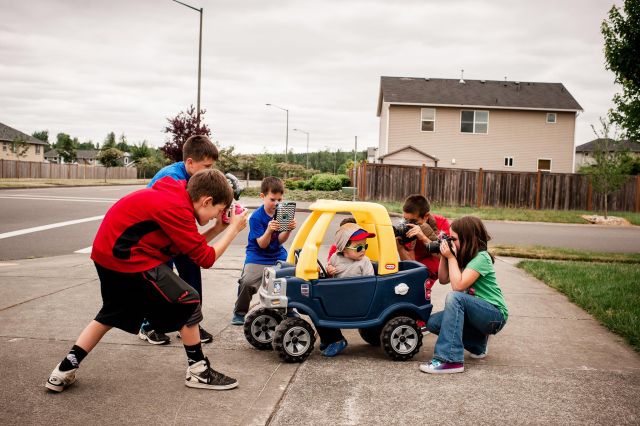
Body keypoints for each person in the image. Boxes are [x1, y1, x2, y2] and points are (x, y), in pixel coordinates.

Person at [45, 169, 249, 392]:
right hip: (127, 259)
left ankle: (63, 370)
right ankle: (198, 371)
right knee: (188, 300)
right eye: (217, 211)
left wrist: (218, 227)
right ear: (206, 200)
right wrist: (233, 229)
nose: (214, 216)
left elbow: (187, 249)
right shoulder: (178, 208)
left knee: (111, 313)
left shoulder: (176, 196)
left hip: (108, 255)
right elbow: (205, 258)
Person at [139, 134, 219, 345]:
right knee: (162, 282)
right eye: (207, 166)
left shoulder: (194, 177)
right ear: (190, 163)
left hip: (178, 232)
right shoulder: (171, 179)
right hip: (158, 238)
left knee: (192, 269)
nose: (210, 171)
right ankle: (147, 325)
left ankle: (192, 322)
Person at [420, 215, 508, 374]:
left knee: (455, 298)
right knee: (433, 323)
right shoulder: (463, 256)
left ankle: (450, 359)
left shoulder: (482, 258)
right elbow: (443, 279)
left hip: (494, 315)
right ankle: (478, 343)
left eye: (453, 239)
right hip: (475, 313)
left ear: (468, 239)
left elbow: (458, 287)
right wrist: (444, 255)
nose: (451, 242)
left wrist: (451, 258)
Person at [230, 177, 297, 325]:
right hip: (258, 255)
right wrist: (268, 230)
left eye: (279, 200)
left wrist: (288, 230)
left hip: (277, 254)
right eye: (272, 199)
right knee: (247, 282)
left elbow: (280, 240)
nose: (276, 203)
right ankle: (239, 312)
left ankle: (288, 308)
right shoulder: (256, 217)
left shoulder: (281, 213)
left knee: (290, 280)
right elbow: (261, 244)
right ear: (262, 197)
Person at [320, 223, 376, 357]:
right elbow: (331, 275)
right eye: (359, 247)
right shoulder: (335, 257)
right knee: (318, 306)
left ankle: (336, 340)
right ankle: (328, 338)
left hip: (356, 299)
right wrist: (329, 271)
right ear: (344, 248)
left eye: (365, 246)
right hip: (340, 296)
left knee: (324, 311)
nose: (363, 250)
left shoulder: (364, 261)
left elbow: (370, 283)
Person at [396, 194, 450, 299]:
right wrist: (400, 248)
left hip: (436, 260)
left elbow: (445, 256)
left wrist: (423, 237)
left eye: (413, 221)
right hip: (417, 262)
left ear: (426, 216)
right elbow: (410, 264)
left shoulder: (441, 223)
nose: (408, 224)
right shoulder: (406, 228)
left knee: (422, 277)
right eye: (406, 219)